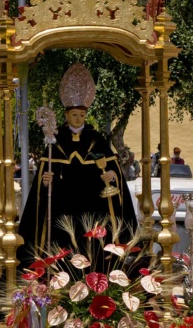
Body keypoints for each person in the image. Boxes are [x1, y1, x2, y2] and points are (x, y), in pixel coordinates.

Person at [17, 63, 138, 272]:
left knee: (92, 246)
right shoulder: (55, 141)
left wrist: (112, 175)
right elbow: (42, 179)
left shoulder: (96, 139)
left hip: (92, 207)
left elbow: (113, 169)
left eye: (81, 115)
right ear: (66, 115)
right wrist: (45, 182)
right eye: (74, 115)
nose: (78, 119)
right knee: (62, 248)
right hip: (61, 209)